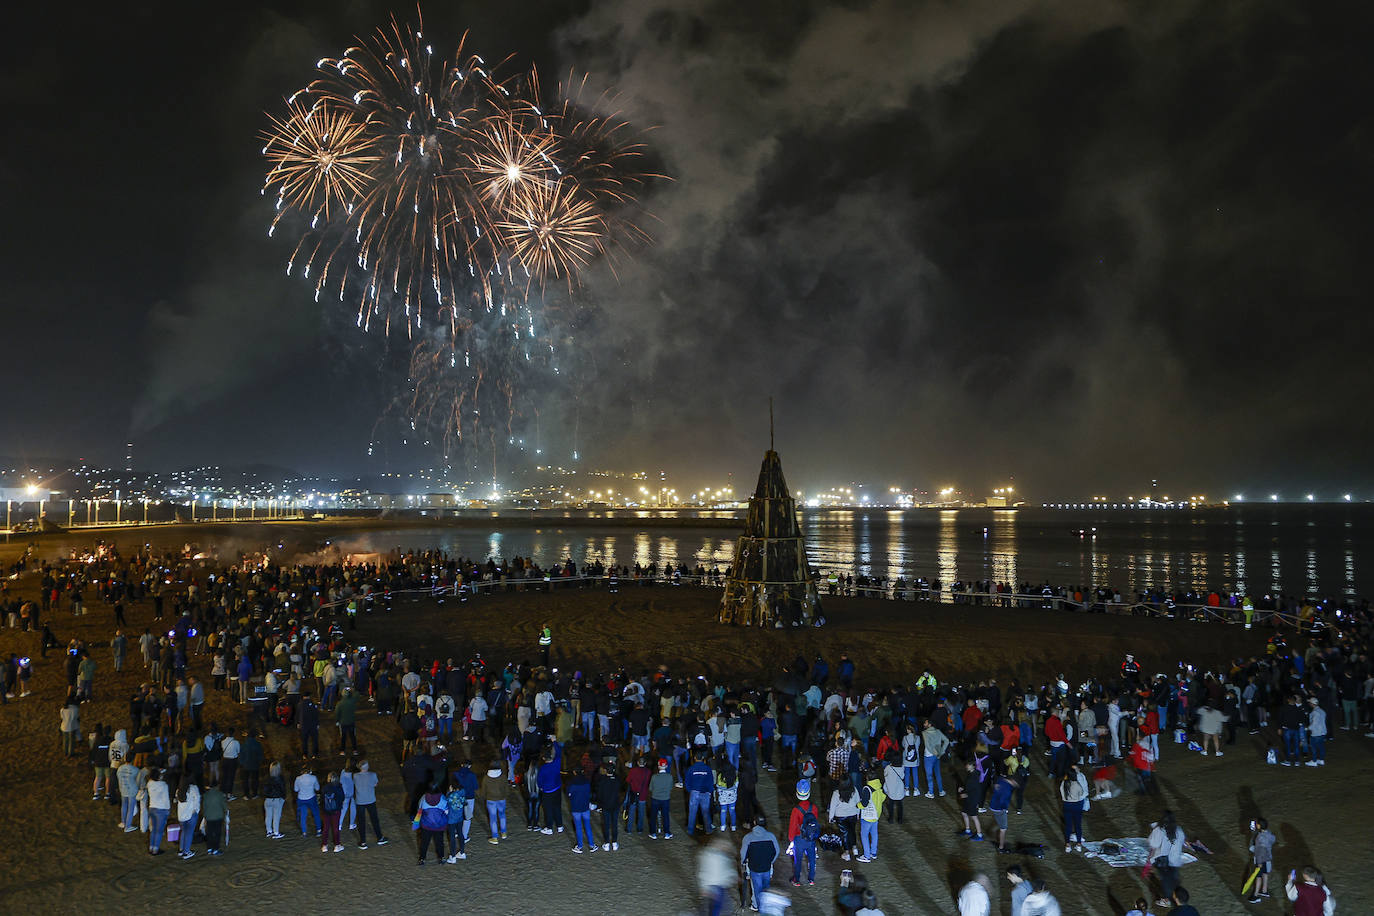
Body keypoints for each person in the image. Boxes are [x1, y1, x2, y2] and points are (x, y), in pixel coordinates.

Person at [1147, 810, 1187, 907]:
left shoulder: (1159, 830)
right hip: (1175, 860)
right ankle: (1176, 897)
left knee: (1166, 881)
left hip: (1163, 861)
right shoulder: (1179, 830)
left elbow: (1153, 844)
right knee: (1174, 879)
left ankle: (1168, 900)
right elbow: (1182, 842)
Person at [740, 814, 781, 910]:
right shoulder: (771, 836)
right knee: (766, 887)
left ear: (754, 823)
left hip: (754, 868)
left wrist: (743, 863)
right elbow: (777, 851)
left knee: (757, 888)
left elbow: (743, 854)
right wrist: (770, 861)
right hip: (767, 867)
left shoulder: (748, 837)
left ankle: (758, 906)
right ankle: (766, 905)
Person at [787, 779, 820, 887]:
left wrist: (791, 839)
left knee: (798, 860)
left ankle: (796, 879)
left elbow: (792, 826)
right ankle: (811, 879)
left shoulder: (796, 810)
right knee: (812, 858)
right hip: (811, 838)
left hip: (799, 838)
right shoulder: (813, 807)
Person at [699, 834, 738, 916]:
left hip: (718, 885)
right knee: (715, 907)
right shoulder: (711, 855)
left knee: (714, 906)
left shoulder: (714, 854)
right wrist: (704, 887)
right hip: (715, 885)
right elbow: (704, 871)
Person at [353, 760, 387, 848]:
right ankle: (380, 837)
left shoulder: (355, 776)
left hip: (360, 801)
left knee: (361, 821)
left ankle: (363, 842)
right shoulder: (373, 775)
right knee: (374, 819)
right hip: (370, 800)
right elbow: (375, 784)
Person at [412, 784, 449, 865]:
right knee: (439, 842)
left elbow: (419, 809)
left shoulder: (423, 798)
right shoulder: (442, 798)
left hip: (426, 825)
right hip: (439, 825)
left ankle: (422, 858)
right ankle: (441, 857)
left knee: (424, 842)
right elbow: (447, 811)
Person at [1059, 763, 1089, 853]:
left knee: (1068, 825)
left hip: (1067, 805)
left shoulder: (1064, 783)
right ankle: (1079, 844)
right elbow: (1081, 794)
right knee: (1078, 825)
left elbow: (1061, 792)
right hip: (1077, 805)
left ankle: (1067, 845)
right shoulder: (1077, 784)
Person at [1246, 817, 1276, 903]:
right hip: (1268, 858)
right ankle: (1264, 890)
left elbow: (1260, 851)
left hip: (1261, 860)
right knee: (1265, 873)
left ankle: (1255, 896)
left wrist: (1259, 863)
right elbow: (1272, 841)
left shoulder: (1261, 837)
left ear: (1259, 826)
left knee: (1258, 877)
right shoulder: (1269, 834)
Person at [481, 760, 508, 844]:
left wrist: (485, 797)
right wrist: (504, 796)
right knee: (502, 815)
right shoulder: (502, 776)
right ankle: (503, 833)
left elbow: (483, 790)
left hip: (490, 800)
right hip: (501, 799)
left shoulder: (486, 778)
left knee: (493, 818)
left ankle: (495, 837)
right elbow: (506, 789)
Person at [648, 757, 674, 839]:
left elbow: (650, 788)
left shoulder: (654, 777)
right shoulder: (669, 777)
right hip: (665, 799)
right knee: (665, 816)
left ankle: (653, 833)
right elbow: (670, 787)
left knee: (653, 816)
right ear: (666, 766)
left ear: (658, 766)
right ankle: (667, 832)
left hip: (655, 798)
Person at [146, 768, 171, 855]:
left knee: (153, 830)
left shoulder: (149, 783)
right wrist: (168, 810)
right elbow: (166, 799)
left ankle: (151, 847)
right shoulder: (163, 785)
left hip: (152, 808)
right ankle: (156, 849)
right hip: (161, 810)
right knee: (159, 831)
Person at [921, 719, 948, 797]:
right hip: (937, 756)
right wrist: (941, 751)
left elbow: (928, 746)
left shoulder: (925, 733)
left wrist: (934, 752)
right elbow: (946, 740)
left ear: (930, 724)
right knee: (938, 774)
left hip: (929, 756)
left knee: (929, 774)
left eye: (925, 723)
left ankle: (931, 792)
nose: (924, 724)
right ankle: (941, 791)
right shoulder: (938, 731)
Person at [320, 771, 345, 853]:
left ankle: (324, 845)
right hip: (336, 810)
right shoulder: (338, 787)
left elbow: (321, 799)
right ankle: (337, 845)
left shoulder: (325, 787)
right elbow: (342, 797)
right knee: (335, 828)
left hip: (326, 810)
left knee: (326, 828)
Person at [175, 777, 200, 860]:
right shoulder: (193, 788)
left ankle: (181, 849)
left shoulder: (179, 790)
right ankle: (186, 852)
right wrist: (196, 810)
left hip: (181, 815)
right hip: (191, 814)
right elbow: (197, 800)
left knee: (183, 832)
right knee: (189, 833)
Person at [201, 779, 227, 856]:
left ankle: (209, 848)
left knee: (209, 833)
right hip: (218, 817)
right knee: (217, 833)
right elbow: (224, 806)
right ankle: (215, 849)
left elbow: (204, 806)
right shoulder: (220, 794)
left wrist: (205, 815)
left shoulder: (206, 795)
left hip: (208, 817)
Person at [294, 765, 321, 838]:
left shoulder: (298, 778)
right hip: (311, 797)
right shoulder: (313, 778)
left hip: (301, 798)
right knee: (316, 814)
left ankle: (304, 832)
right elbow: (317, 788)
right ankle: (318, 830)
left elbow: (296, 789)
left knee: (303, 815)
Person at [263, 761, 287, 839]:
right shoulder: (280, 778)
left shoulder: (267, 778)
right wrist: (283, 797)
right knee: (276, 816)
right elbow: (283, 789)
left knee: (268, 816)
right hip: (277, 799)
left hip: (267, 799)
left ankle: (269, 831)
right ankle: (276, 832)